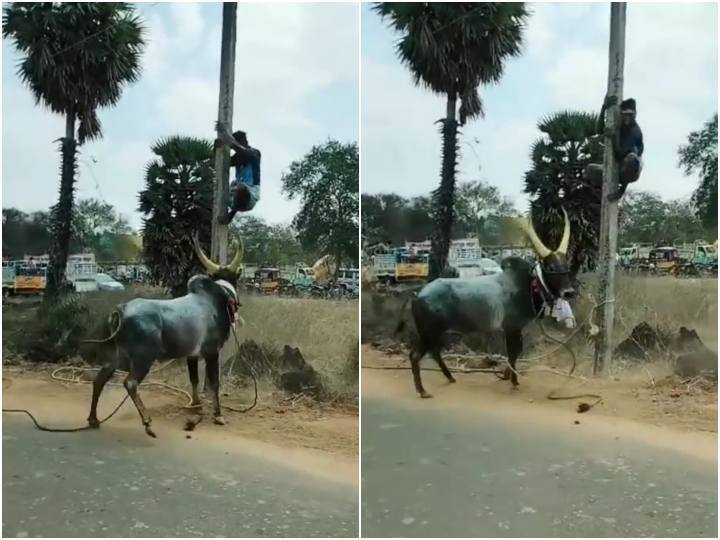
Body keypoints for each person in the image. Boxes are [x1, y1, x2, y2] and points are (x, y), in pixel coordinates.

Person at [583, 95, 644, 202]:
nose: (627, 118)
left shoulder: (634, 131)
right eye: (624, 114)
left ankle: (621, 190)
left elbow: (620, 155)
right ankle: (601, 189)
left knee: (630, 159)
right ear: (621, 113)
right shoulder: (618, 123)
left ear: (635, 114)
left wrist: (613, 138)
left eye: (630, 115)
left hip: (631, 170)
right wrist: (604, 108)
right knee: (589, 169)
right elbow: (599, 130)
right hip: (617, 167)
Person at [215, 121, 261, 224]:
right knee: (232, 185)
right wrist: (217, 149)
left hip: (250, 197)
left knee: (241, 187)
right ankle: (227, 213)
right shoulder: (237, 157)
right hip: (234, 199)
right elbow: (219, 164)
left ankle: (230, 215)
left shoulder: (254, 153)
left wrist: (225, 135)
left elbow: (239, 148)